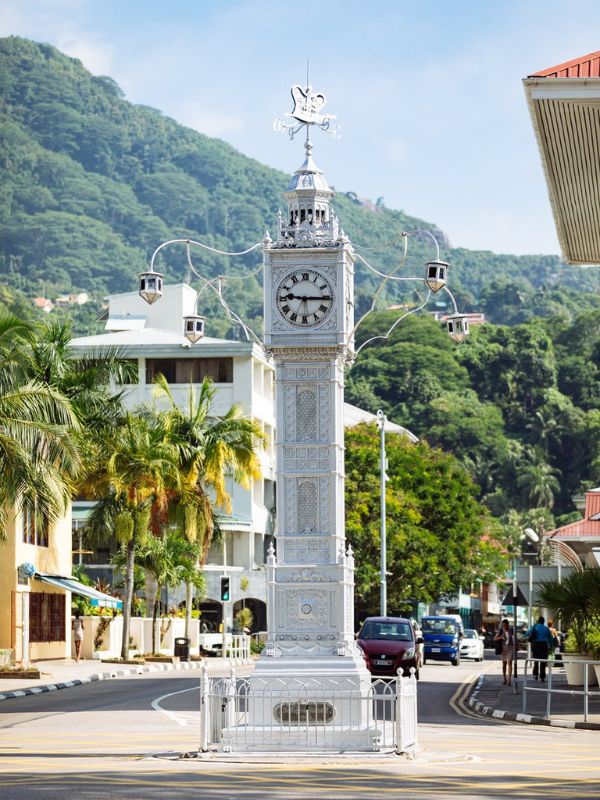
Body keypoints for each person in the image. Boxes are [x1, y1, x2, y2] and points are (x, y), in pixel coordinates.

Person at [526, 615, 554, 681]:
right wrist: (551, 647)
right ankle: (542, 677)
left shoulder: (535, 627)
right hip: (544, 645)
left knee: (536, 661)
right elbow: (550, 639)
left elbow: (527, 633)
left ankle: (535, 675)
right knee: (543, 661)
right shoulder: (546, 629)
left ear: (538, 621)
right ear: (543, 622)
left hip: (536, 645)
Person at [494, 618, 514, 685]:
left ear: (508, 625)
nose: (504, 627)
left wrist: (517, 646)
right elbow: (495, 639)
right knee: (504, 664)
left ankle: (509, 680)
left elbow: (515, 639)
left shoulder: (511, 631)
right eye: (503, 625)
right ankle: (504, 678)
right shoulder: (500, 631)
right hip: (503, 648)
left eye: (505, 625)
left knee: (510, 662)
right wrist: (501, 637)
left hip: (510, 648)